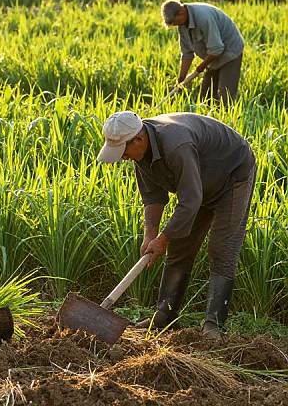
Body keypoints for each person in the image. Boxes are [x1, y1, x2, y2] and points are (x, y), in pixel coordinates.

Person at [97, 111, 256, 340]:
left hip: (232, 174)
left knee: (221, 248)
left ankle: (213, 324)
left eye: (123, 150)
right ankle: (164, 315)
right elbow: (153, 198)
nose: (123, 157)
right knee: (180, 244)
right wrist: (150, 235)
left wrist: (163, 238)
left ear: (139, 139)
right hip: (199, 183)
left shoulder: (176, 145)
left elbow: (190, 201)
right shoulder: (141, 155)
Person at [161, 0, 244, 105]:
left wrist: (201, 67)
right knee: (206, 94)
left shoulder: (203, 18)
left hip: (230, 51)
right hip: (212, 54)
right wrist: (181, 79)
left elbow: (217, 49)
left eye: (176, 22)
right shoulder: (182, 24)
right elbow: (187, 54)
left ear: (181, 12)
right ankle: (209, 116)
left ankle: (227, 117)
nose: (177, 25)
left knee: (225, 94)